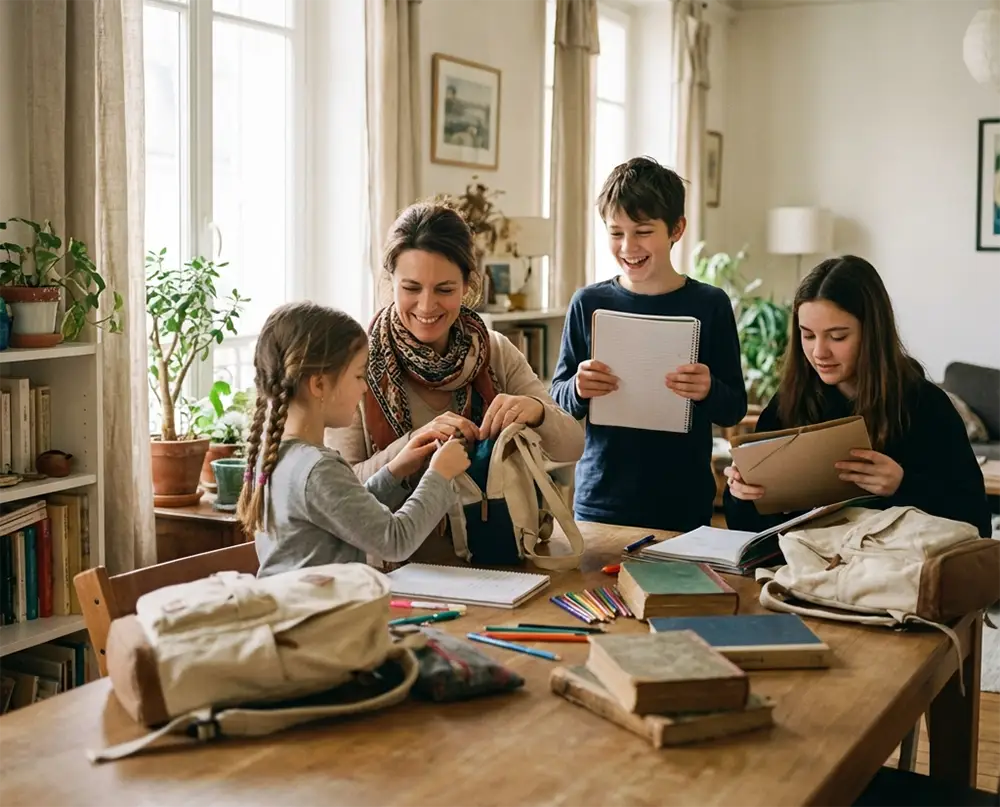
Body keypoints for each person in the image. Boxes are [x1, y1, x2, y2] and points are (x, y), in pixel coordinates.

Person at [325, 202, 585, 556]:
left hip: (497, 560)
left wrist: (535, 410)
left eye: (444, 289)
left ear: (468, 285)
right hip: (398, 570)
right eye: (411, 288)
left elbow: (573, 445)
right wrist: (412, 445)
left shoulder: (495, 351)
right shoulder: (357, 363)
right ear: (390, 283)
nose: (427, 305)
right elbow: (341, 493)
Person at [724, 255, 992, 537]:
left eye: (837, 337)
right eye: (808, 335)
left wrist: (902, 486)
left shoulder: (926, 406)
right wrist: (741, 495)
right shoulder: (792, 399)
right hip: (804, 568)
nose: (819, 352)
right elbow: (748, 529)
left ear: (873, 332)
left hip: (892, 572)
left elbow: (977, 526)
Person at [549, 156, 748, 532]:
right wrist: (577, 388)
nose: (628, 246)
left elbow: (734, 408)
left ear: (677, 229)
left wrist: (707, 389)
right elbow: (557, 399)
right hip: (599, 500)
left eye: (642, 231)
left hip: (682, 502)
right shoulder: (588, 303)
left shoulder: (710, 305)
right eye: (615, 232)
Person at [237, 301, 471, 578]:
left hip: (293, 613)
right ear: (319, 384)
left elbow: (343, 513)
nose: (364, 388)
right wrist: (439, 475)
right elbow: (394, 541)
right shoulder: (317, 468)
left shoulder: (279, 455)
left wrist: (394, 472)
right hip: (320, 617)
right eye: (359, 375)